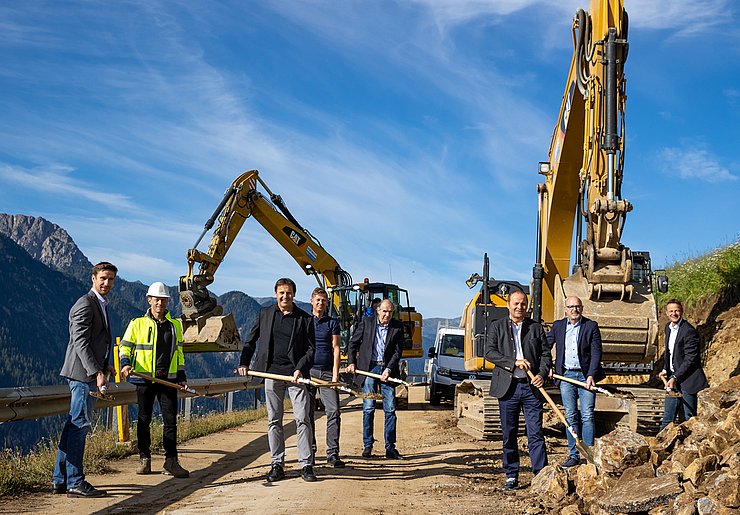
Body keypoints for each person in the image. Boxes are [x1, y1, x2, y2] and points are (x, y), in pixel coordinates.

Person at [237, 278, 317, 482]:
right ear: (275, 294)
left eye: (288, 293)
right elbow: (250, 341)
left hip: (295, 376)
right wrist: (244, 363)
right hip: (271, 374)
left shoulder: (304, 318)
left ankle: (306, 465)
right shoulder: (265, 314)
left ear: (294, 294)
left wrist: (300, 369)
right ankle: (277, 464)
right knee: (274, 420)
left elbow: (311, 349)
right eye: (281, 292)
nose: (285, 296)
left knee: (303, 419)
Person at [53, 261, 117, 498]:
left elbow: (95, 341)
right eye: (103, 278)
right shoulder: (85, 303)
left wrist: (105, 365)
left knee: (73, 426)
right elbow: (79, 342)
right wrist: (97, 372)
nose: (107, 283)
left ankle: (60, 480)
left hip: (87, 373)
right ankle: (75, 482)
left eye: (111, 279)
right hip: (83, 375)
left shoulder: (100, 304)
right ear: (93, 278)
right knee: (80, 426)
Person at [119, 281, 189, 478]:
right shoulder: (137, 323)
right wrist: (125, 363)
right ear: (149, 300)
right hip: (144, 378)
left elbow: (180, 353)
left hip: (168, 380)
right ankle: (144, 458)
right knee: (144, 419)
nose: (160, 303)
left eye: (163, 300)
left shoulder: (175, 325)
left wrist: (181, 376)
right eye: (156, 299)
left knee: (170, 421)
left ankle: (171, 461)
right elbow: (125, 347)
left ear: (167, 301)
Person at [485, 290, 552, 491]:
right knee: (509, 433)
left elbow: (546, 355)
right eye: (515, 303)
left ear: (527, 306)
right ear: (508, 305)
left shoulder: (535, 328)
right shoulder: (497, 327)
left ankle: (540, 474)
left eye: (523, 304)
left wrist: (541, 373)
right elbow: (489, 352)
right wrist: (513, 362)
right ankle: (511, 475)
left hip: (531, 388)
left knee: (535, 432)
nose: (519, 307)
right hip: (508, 387)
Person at [547, 295, 605, 469]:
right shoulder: (558, 326)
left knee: (587, 415)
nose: (574, 309)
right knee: (570, 416)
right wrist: (548, 366)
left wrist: (591, 375)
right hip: (566, 376)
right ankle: (573, 455)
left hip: (586, 376)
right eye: (571, 307)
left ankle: (588, 455)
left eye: (577, 306)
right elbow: (545, 346)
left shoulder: (591, 326)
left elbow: (596, 353)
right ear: (565, 309)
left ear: (582, 308)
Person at [347, 298, 404, 460]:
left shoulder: (397, 327)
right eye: (384, 311)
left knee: (390, 409)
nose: (387, 314)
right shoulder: (367, 322)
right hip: (369, 369)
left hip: (387, 371)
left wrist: (388, 369)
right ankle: (367, 445)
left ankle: (390, 448)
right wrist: (352, 362)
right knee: (368, 408)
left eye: (390, 312)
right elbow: (353, 343)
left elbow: (397, 352)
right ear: (378, 310)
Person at [307, 287, 345, 468]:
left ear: (327, 303)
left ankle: (332, 453)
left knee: (334, 411)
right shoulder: (305, 321)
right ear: (312, 301)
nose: (320, 303)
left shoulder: (332, 323)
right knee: (307, 414)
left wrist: (336, 375)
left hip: (327, 372)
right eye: (318, 300)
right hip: (308, 371)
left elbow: (336, 348)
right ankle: (310, 452)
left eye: (324, 300)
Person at [658, 299, 709, 430]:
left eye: (677, 311)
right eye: (671, 311)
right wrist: (665, 369)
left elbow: (691, 358)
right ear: (667, 313)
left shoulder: (689, 331)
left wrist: (675, 377)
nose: (674, 313)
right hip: (673, 381)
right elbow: (670, 353)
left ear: (681, 312)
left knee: (688, 419)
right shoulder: (668, 328)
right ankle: (658, 448)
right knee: (667, 420)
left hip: (688, 381)